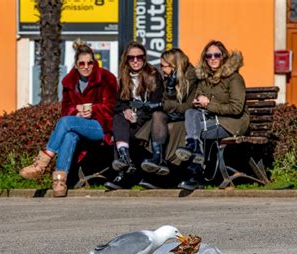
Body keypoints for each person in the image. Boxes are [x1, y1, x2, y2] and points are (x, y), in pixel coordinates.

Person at [19, 40, 118, 197]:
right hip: (79, 126)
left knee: (65, 122)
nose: (86, 67)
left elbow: (113, 107)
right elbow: (66, 109)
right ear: (76, 65)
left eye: (90, 63)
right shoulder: (69, 82)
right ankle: (59, 182)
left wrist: (93, 109)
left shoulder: (107, 78)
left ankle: (41, 164)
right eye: (82, 63)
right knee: (70, 135)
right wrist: (77, 114)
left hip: (103, 126)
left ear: (94, 63)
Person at [176, 40, 249, 190]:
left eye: (217, 55)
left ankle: (194, 174)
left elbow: (236, 109)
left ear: (224, 56)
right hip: (210, 120)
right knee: (190, 113)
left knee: (192, 131)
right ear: (205, 59)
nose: (213, 59)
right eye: (209, 56)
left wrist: (208, 104)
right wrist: (197, 102)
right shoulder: (205, 79)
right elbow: (198, 99)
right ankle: (195, 151)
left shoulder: (234, 78)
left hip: (231, 123)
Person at [104, 41, 164, 190]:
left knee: (120, 130)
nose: (136, 61)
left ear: (144, 59)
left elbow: (156, 104)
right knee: (119, 118)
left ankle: (123, 173)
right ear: (126, 59)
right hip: (131, 121)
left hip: (148, 121)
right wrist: (126, 110)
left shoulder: (153, 76)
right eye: (131, 58)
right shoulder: (124, 77)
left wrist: (138, 116)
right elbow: (118, 103)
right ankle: (125, 161)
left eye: (139, 57)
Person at [136, 48, 198, 178]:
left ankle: (169, 172)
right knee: (157, 115)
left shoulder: (192, 78)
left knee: (167, 124)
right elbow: (167, 104)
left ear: (174, 66)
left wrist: (164, 104)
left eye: (163, 66)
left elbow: (188, 107)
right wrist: (170, 90)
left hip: (188, 118)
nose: (162, 69)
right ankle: (158, 158)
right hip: (174, 114)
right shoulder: (169, 78)